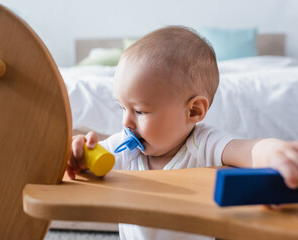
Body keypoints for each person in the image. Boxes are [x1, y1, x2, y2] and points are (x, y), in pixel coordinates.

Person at [66, 26, 298, 240]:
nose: (126, 122)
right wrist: (78, 153)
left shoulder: (204, 144)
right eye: (122, 108)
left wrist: (275, 152)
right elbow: (84, 164)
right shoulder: (125, 150)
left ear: (194, 111)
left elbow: (249, 150)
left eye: (139, 111)